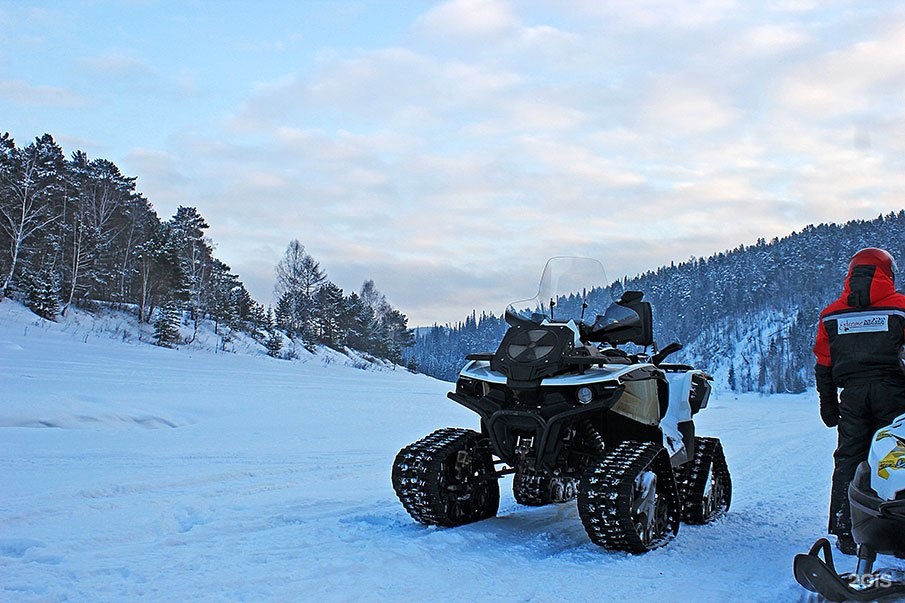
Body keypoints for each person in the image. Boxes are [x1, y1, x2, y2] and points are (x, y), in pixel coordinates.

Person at [813, 247, 905, 554]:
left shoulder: (832, 314)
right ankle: (895, 525)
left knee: (849, 459)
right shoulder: (901, 308)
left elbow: (823, 363)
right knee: (895, 458)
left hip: (852, 396)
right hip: (895, 394)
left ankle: (845, 529)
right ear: (888, 273)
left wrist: (828, 403)